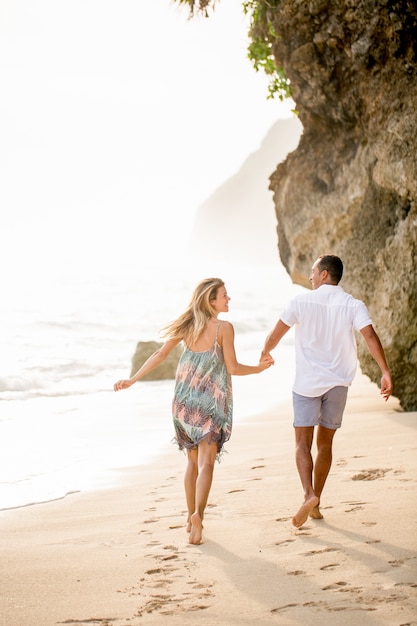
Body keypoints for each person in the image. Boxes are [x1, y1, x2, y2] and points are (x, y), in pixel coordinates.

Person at [114, 277, 273, 544]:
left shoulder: (188, 324)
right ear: (211, 300)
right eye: (224, 295)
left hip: (184, 403)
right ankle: (199, 516)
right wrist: (260, 367)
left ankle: (190, 517)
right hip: (210, 404)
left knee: (191, 462)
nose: (228, 298)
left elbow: (160, 355)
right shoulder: (224, 328)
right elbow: (232, 368)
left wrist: (133, 379)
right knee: (207, 463)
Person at [260, 255, 392, 529]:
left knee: (301, 444)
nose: (309, 276)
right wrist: (385, 371)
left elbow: (276, 334)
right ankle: (316, 503)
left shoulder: (300, 302)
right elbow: (369, 336)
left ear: (323, 275)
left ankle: (308, 494)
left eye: (312, 271)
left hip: (307, 384)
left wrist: (265, 352)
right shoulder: (352, 305)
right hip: (338, 384)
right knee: (325, 444)